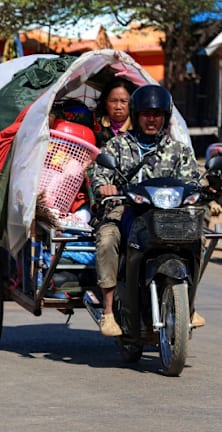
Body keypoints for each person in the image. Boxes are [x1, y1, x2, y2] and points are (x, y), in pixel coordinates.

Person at [91, 84, 204, 336]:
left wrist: (197, 193)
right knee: (108, 239)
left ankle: (190, 303)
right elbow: (99, 176)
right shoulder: (117, 146)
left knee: (198, 236)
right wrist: (105, 187)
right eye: (145, 114)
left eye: (157, 114)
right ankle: (108, 312)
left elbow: (193, 180)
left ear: (164, 116)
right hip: (125, 208)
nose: (151, 119)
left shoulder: (179, 150)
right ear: (136, 114)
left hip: (167, 214)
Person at [93, 78, 135, 148]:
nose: (118, 107)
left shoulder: (137, 126)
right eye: (113, 101)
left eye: (124, 101)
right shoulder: (94, 121)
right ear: (105, 102)